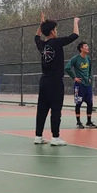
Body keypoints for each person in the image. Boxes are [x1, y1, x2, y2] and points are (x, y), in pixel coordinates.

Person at [34, 14, 80, 145]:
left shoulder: (42, 45)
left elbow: (36, 37)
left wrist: (41, 25)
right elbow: (75, 35)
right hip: (55, 82)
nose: (56, 31)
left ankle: (38, 136)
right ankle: (55, 137)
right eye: (55, 29)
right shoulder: (57, 42)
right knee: (56, 109)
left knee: (42, 110)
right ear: (52, 31)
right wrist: (75, 22)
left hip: (44, 82)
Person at [65, 42, 97, 129]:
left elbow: (90, 69)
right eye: (86, 46)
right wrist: (74, 77)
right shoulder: (75, 59)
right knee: (78, 103)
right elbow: (67, 68)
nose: (87, 47)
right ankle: (78, 122)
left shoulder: (88, 59)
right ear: (81, 48)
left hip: (87, 85)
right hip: (79, 86)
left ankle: (89, 122)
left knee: (90, 103)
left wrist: (89, 77)